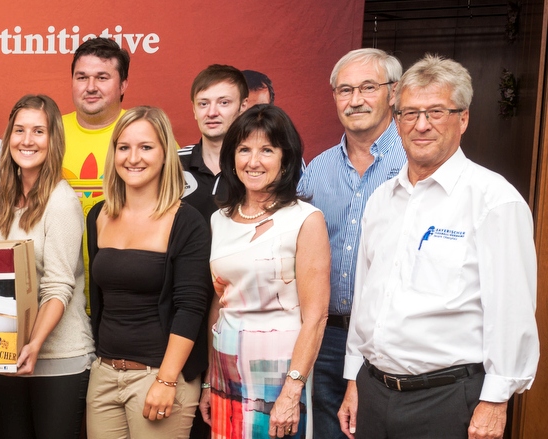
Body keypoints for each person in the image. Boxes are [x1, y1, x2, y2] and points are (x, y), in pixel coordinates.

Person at [337, 54, 538, 439]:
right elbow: (366, 298)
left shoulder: (494, 200)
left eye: (436, 112)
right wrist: (353, 379)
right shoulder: (381, 200)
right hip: (373, 392)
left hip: (448, 400)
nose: (421, 125)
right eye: (410, 113)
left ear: (463, 118)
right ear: (397, 121)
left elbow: (511, 310)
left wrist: (496, 401)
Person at [199, 104, 330, 439]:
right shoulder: (218, 220)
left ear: (285, 159)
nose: (253, 161)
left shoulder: (305, 219)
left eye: (267, 150)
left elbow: (316, 317)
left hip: (280, 376)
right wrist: (209, 380)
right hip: (226, 368)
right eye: (244, 149)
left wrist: (292, 390)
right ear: (232, 158)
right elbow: (220, 301)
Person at [85, 106, 213, 439]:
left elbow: (191, 308)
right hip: (104, 374)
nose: (133, 158)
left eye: (146, 147)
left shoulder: (186, 221)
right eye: (123, 147)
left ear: (165, 153)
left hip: (159, 376)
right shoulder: (98, 215)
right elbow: (99, 300)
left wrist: (167, 380)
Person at [297, 48, 405, 439]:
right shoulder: (317, 170)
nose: (355, 100)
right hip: (326, 336)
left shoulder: (416, 164)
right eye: (345, 90)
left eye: (368, 88)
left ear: (394, 93)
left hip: (389, 338)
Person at [0, 94, 96, 439]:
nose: (27, 140)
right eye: (19, 130)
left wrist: (34, 345)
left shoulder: (61, 202)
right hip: (6, 353)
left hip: (58, 357)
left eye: (38, 131)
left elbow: (58, 286)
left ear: (53, 139)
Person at [63, 37, 130, 214]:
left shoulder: (147, 133)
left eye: (102, 77)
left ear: (123, 85)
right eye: (82, 77)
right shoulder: (48, 131)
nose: (91, 87)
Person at [179, 64, 249, 221]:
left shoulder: (257, 166)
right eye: (203, 104)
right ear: (194, 110)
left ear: (243, 107)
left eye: (223, 102)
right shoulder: (172, 163)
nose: (212, 113)